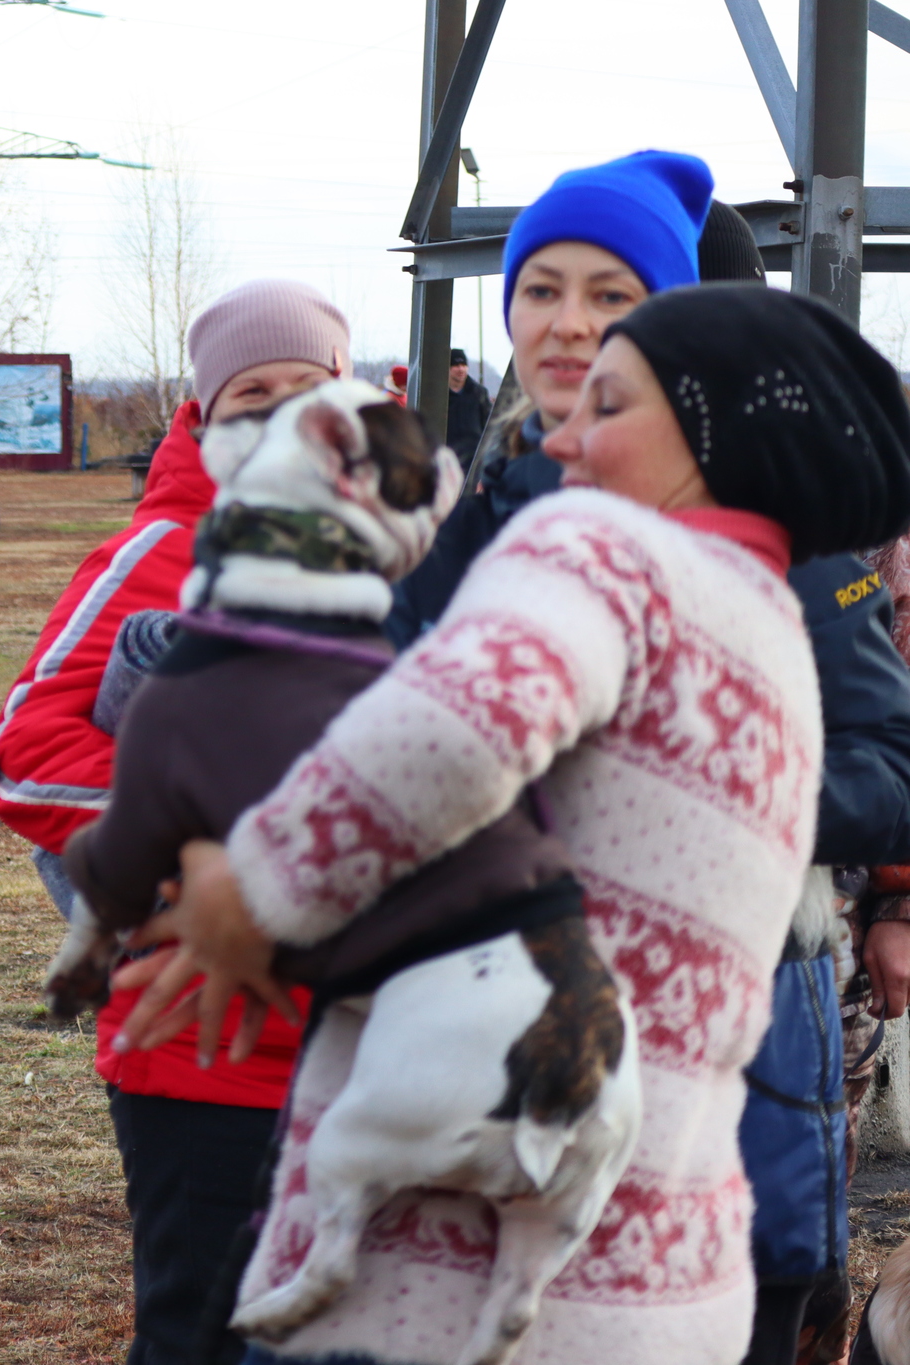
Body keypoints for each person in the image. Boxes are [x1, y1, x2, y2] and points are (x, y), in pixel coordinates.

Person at [114, 283, 910, 1365]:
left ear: (712, 431)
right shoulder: (767, 630)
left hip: (443, 1278)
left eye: (609, 407)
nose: (562, 436)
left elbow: (441, 740)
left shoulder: (599, 551)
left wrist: (248, 889)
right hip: (664, 1268)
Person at [390, 154, 910, 1365]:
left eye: (612, 300)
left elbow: (891, 775)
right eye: (540, 290)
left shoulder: (783, 532)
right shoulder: (468, 528)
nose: (569, 327)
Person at [0, 278, 349, 1365]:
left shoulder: (393, 547)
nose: (278, 413)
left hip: (368, 1042)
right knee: (207, 1334)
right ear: (200, 415)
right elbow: (16, 756)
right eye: (249, 393)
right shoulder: (158, 555)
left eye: (303, 388)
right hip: (203, 1047)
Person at [443, 347, 491, 468]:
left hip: (474, 459)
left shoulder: (479, 393)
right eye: (456, 365)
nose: (461, 369)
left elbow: (488, 424)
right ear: (447, 368)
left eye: (463, 365)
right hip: (448, 459)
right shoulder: (440, 395)